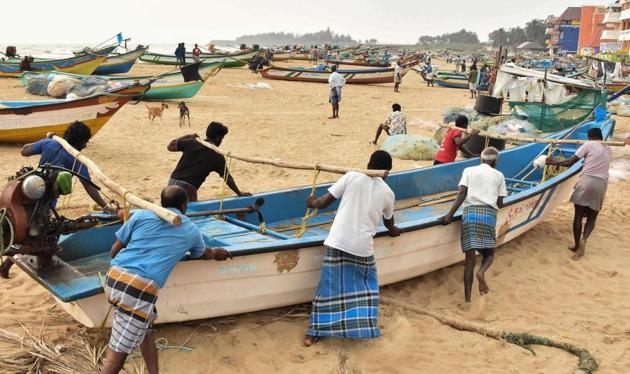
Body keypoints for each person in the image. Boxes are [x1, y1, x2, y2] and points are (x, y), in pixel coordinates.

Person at [100, 186, 232, 374]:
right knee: (117, 358)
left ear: (162, 202)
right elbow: (204, 253)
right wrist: (218, 252)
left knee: (146, 328)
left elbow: (115, 250)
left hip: (114, 276)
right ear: (184, 205)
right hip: (139, 290)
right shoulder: (191, 229)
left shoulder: (140, 216)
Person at [303, 151, 401, 346]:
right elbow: (389, 220)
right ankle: (361, 327)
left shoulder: (352, 176)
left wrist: (311, 201)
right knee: (365, 288)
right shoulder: (388, 193)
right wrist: (393, 231)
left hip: (338, 240)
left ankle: (314, 333)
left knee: (329, 287)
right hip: (362, 247)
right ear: (387, 171)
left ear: (368, 163)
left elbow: (322, 203)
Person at [442, 147, 507, 307]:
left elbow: (462, 193)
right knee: (490, 253)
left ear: (481, 158)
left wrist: (449, 215)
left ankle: (467, 301)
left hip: (470, 214)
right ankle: (482, 272)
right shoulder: (499, 175)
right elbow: (499, 203)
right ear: (494, 161)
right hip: (488, 215)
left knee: (469, 260)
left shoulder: (469, 170)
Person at [546, 127, 612, 260]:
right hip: (602, 183)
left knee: (578, 215)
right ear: (601, 137)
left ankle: (577, 245)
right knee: (592, 218)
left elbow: (570, 162)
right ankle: (584, 239)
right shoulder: (608, 149)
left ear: (589, 137)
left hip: (587, 181)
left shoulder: (588, 144)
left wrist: (551, 161)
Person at [21, 121, 114, 212]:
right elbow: (88, 185)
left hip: (31, 187)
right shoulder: (77, 159)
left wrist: (48, 139)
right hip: (48, 199)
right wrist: (105, 206)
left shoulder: (48, 143)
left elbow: (24, 151)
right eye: (85, 142)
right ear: (80, 141)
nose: (85, 146)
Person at [167, 122, 251, 202]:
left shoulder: (192, 142)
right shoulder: (218, 156)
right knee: (189, 213)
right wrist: (239, 193)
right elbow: (227, 178)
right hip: (187, 188)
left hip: (172, 182)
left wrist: (188, 136)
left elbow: (170, 146)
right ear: (218, 138)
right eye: (222, 138)